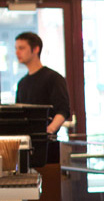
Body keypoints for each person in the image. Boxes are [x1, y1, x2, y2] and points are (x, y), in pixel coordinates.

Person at [14, 31, 71, 163]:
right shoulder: (22, 83)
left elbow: (63, 110)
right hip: (25, 145)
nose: (17, 52)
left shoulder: (53, 78)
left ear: (35, 49)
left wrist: (47, 131)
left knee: (48, 181)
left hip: (47, 147)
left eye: (21, 48)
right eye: (16, 48)